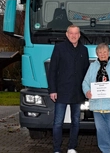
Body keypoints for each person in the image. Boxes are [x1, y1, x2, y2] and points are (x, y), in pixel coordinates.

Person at [47, 25, 90, 153]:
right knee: (58, 123)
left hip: (78, 93)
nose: (73, 35)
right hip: (61, 92)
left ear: (79, 35)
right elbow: (52, 71)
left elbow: (86, 72)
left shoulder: (84, 50)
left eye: (76, 33)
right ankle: (56, 149)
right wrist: (52, 90)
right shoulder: (59, 48)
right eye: (71, 33)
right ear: (67, 34)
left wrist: (87, 90)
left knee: (76, 122)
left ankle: (71, 147)